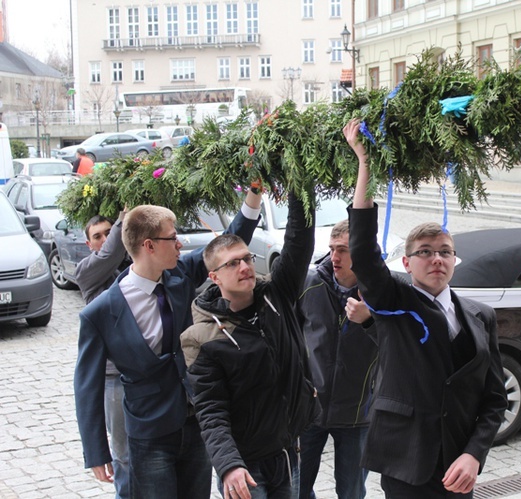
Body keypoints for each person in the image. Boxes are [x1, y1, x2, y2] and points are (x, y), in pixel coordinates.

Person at [344, 118, 507, 498]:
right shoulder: (394, 301)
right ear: (406, 263)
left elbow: (494, 398)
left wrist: (474, 454)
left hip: (457, 464)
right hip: (406, 460)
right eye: (425, 253)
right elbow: (364, 254)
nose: (437, 259)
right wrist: (364, 163)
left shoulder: (481, 316)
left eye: (445, 252)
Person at [74, 187, 262, 499]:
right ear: (148, 245)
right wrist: (96, 452)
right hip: (148, 433)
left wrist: (254, 194)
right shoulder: (101, 312)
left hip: (196, 424)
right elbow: (87, 385)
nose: (180, 243)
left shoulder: (179, 277)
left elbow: (228, 241)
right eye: (172, 238)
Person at [180, 189, 318, 499]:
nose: (245, 267)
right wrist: (229, 465)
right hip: (245, 468)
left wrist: (298, 181)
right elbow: (211, 410)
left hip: (286, 452)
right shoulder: (201, 339)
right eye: (233, 264)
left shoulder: (276, 297)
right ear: (214, 277)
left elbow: (298, 243)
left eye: (247, 258)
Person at [297, 220, 377, 499]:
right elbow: (291, 334)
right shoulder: (309, 283)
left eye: (343, 250)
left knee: (352, 492)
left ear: (364, 251)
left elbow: (398, 345)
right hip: (310, 411)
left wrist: (371, 319)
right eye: (332, 249)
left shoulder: (382, 292)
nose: (334, 257)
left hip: (358, 414)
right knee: (296, 489)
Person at [74, 210, 131, 498]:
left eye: (110, 232)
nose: (106, 239)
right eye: (98, 236)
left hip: (144, 373)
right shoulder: (87, 271)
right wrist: (125, 216)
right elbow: (109, 255)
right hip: (114, 377)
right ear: (89, 244)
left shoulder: (134, 263)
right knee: (123, 454)